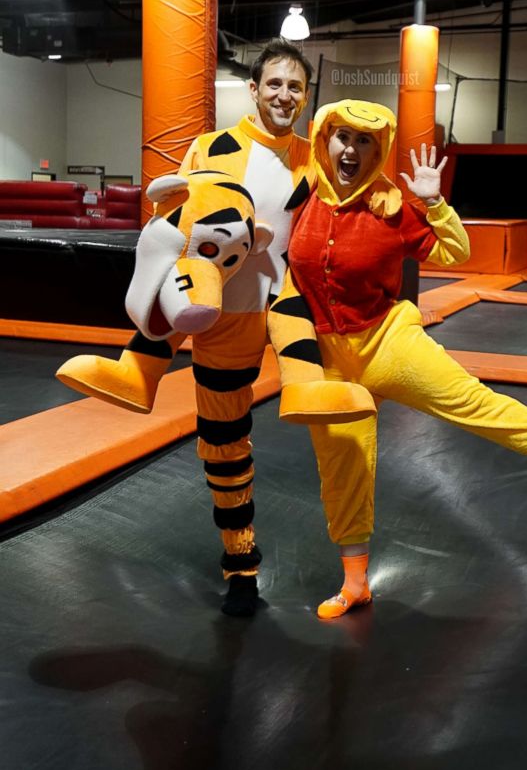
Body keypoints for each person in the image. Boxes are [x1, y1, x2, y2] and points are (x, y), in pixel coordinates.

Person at [278, 99, 527, 620]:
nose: (351, 149)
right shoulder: (302, 192)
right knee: (342, 467)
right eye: (343, 137)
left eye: (364, 141)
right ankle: (355, 583)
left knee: (474, 403)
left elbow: (456, 252)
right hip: (328, 360)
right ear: (323, 141)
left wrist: (433, 202)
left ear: (377, 151)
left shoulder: (393, 210)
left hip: (387, 343)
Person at [57, 39, 372, 617]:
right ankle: (241, 562)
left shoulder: (316, 161)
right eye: (274, 83)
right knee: (225, 447)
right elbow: (177, 224)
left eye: (295, 87)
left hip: (279, 309)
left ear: (306, 98)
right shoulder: (211, 148)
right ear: (253, 90)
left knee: (274, 413)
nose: (284, 94)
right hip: (215, 312)